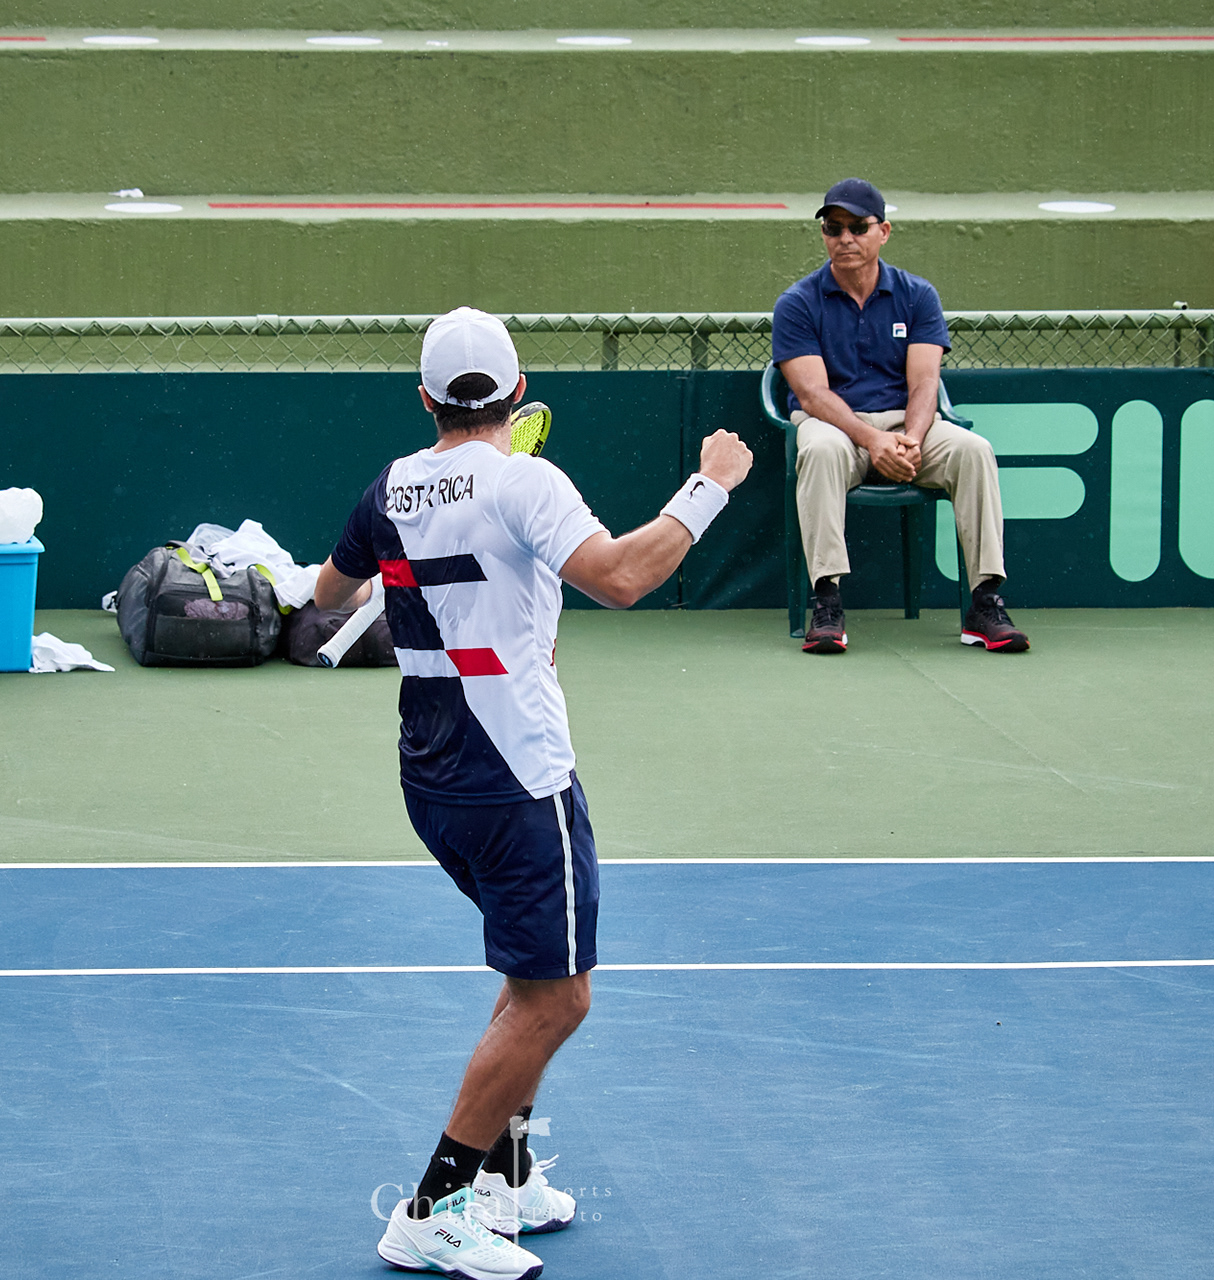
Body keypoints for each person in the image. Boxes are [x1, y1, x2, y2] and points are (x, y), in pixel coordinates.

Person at [316, 307, 752, 1279]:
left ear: (426, 398)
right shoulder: (527, 480)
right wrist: (709, 484)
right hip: (516, 776)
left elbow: (328, 595)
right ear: (516, 392)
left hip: (431, 774)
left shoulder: (387, 487)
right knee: (557, 998)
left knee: (528, 973)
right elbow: (626, 575)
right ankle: (432, 1207)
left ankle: (506, 1173)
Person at [773, 177, 1027, 655]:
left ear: (883, 232)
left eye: (857, 227)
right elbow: (812, 394)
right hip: (837, 427)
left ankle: (985, 602)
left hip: (906, 427)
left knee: (975, 451)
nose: (844, 238)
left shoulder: (917, 295)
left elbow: (925, 383)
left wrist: (910, 438)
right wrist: (873, 441)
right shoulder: (797, 303)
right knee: (821, 449)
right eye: (833, 228)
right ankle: (826, 603)